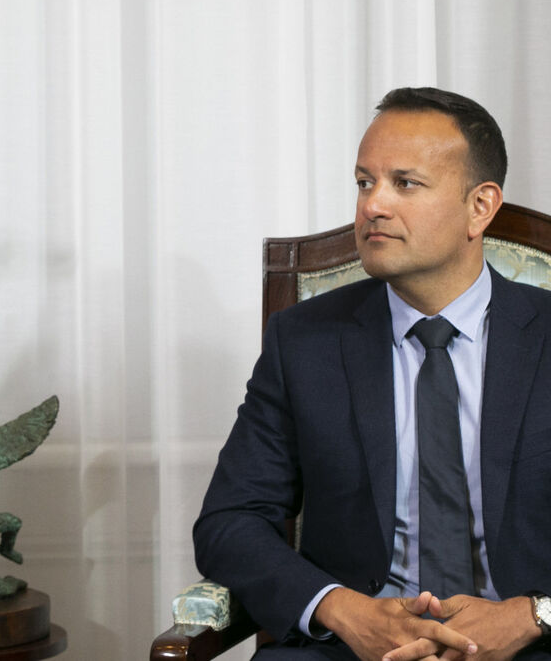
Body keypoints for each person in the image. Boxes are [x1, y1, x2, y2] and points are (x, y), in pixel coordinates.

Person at [194, 87, 551, 661]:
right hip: (350, 647)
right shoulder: (304, 341)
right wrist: (342, 609)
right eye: (365, 182)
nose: (372, 206)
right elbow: (229, 523)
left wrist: (533, 614)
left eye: (404, 183)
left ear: (480, 206)